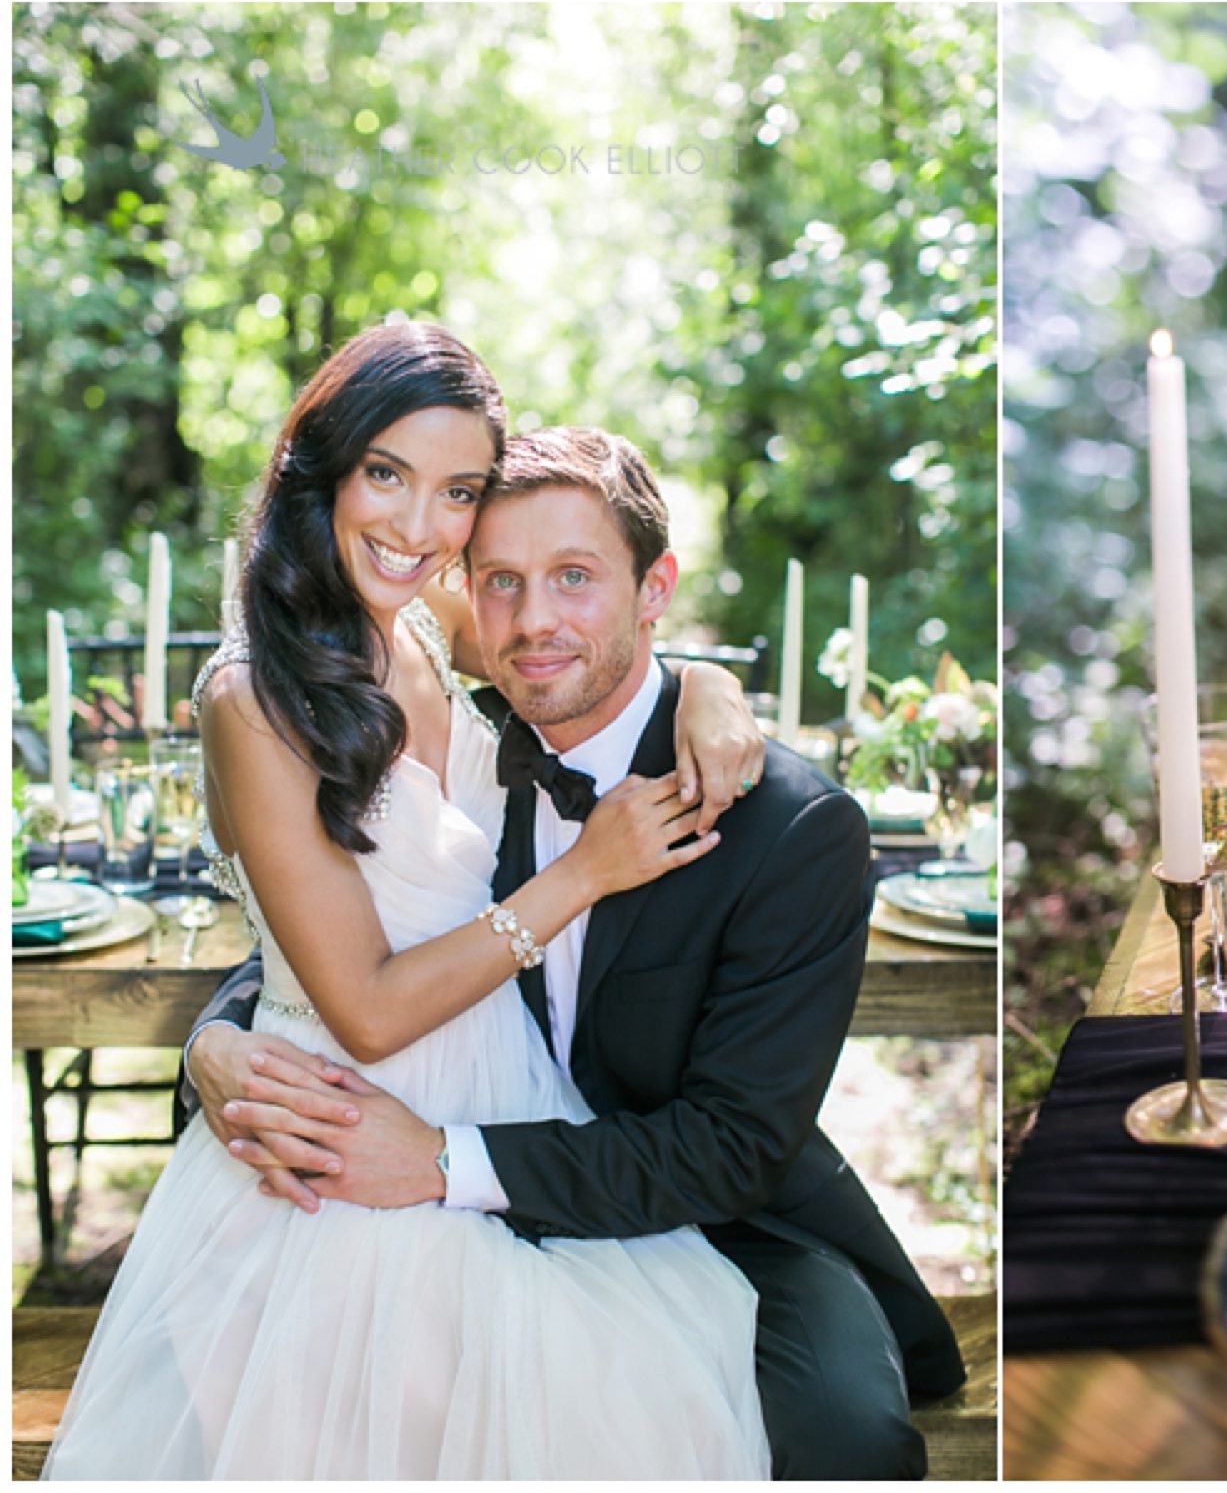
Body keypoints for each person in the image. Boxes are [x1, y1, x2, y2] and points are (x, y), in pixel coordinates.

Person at [43, 323, 775, 1478]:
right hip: (345, 1121)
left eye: (457, 492)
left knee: (637, 1397)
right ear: (323, 469)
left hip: (502, 1096)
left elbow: (591, 646)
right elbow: (369, 1007)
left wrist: (714, 691)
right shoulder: (255, 699)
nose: (419, 526)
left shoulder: (433, 635)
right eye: (387, 473)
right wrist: (579, 876)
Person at [182, 427, 968, 1474]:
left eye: (575, 578)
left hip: (711, 1213)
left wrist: (441, 1162)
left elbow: (731, 1149)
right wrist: (217, 1040)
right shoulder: (468, 733)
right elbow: (356, 929)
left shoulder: (788, 826)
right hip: (463, 1194)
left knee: (844, 1440)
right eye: (500, 582)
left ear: (655, 591)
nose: (534, 620)